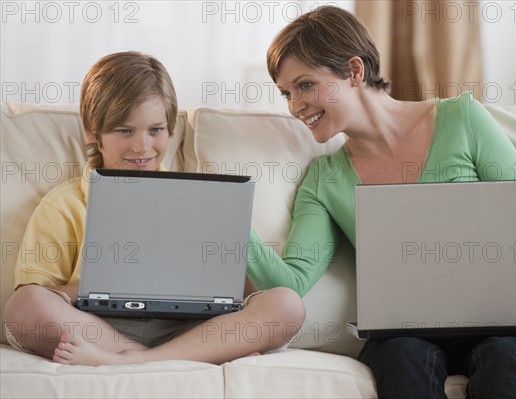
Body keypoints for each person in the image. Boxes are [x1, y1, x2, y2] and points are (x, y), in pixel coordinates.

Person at [244, 6, 516, 398]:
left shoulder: (462, 119)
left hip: (508, 328)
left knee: (501, 358)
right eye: (286, 93)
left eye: (304, 86)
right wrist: (227, 218)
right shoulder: (325, 179)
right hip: (407, 337)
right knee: (403, 359)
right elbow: (291, 282)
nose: (294, 106)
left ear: (354, 71)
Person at [3, 51, 305, 367]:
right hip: (99, 329)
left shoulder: (199, 201)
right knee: (23, 306)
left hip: (189, 331)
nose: (142, 147)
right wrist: (104, 285)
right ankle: (146, 357)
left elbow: (239, 294)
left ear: (169, 129)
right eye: (124, 130)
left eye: (155, 130)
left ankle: (136, 361)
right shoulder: (64, 204)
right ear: (93, 132)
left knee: (286, 304)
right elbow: (36, 295)